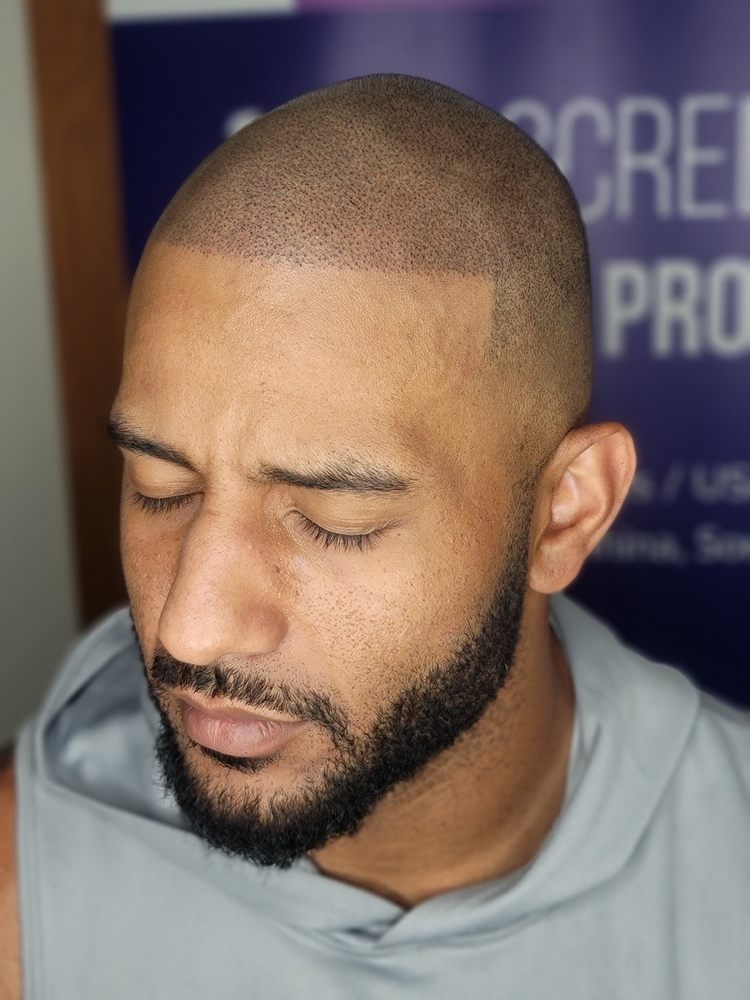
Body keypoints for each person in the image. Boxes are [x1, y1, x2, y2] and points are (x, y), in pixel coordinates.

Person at [1, 74, 748, 999]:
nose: (188, 629)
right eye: (162, 489)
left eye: (333, 521)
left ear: (564, 513)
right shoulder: (24, 895)